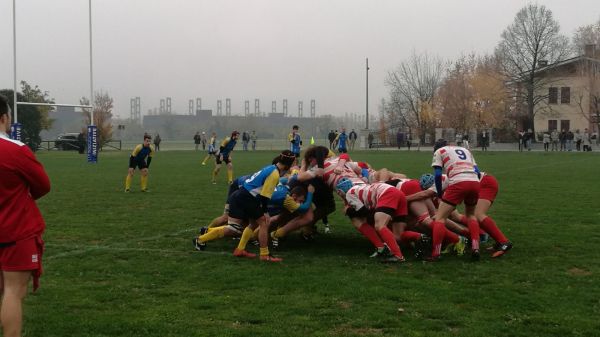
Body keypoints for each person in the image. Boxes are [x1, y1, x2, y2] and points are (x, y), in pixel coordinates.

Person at [0, 94, 51, 337]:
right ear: (4, 118)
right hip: (14, 230)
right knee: (12, 291)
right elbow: (43, 185)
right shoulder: (15, 150)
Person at [229, 150, 297, 262]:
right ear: (288, 164)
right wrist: (265, 212)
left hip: (244, 194)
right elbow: (265, 196)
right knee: (264, 223)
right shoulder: (274, 174)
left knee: (253, 223)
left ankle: (240, 249)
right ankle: (264, 255)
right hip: (248, 197)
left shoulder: (271, 167)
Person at [428, 139, 481, 261]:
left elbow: (437, 175)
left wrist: (440, 193)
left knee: (440, 218)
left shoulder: (439, 151)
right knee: (471, 215)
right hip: (474, 182)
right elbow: (477, 172)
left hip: (458, 182)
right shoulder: (465, 150)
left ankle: (435, 254)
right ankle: (475, 247)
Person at [336, 178, 408, 263]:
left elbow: (363, 212)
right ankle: (420, 238)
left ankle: (398, 255)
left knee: (380, 226)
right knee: (398, 235)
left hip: (387, 194)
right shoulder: (360, 187)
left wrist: (348, 211)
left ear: (340, 192)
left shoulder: (349, 194)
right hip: (398, 193)